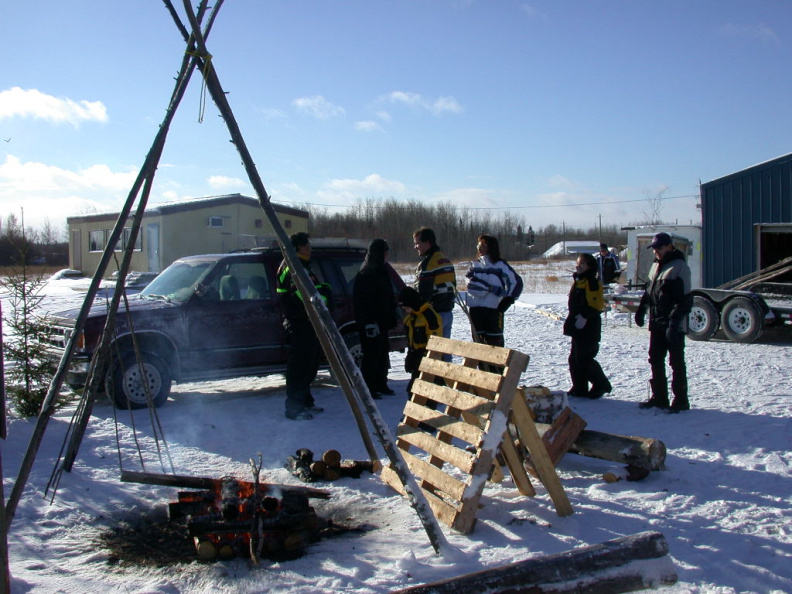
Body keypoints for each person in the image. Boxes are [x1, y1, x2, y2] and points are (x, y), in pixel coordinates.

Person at [276, 232, 332, 421]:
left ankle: (306, 401)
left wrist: (324, 290)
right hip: (298, 323)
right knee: (298, 367)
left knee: (310, 364)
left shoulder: (304, 266)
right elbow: (303, 295)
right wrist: (323, 300)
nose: (310, 248)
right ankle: (294, 408)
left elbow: (315, 287)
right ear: (298, 247)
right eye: (307, 245)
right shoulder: (292, 267)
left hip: (309, 323)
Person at [634, 232, 693, 413]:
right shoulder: (656, 266)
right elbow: (649, 292)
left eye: (659, 248)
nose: (656, 252)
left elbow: (684, 300)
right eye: (654, 249)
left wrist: (674, 324)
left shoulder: (679, 267)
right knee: (655, 359)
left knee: (676, 362)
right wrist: (641, 309)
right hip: (657, 322)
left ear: (669, 247)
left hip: (673, 324)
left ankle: (681, 401)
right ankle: (659, 397)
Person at [563, 252, 612, 399]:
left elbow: (597, 304)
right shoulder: (580, 280)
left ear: (589, 266)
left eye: (582, 264)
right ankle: (579, 387)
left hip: (588, 326)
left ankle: (601, 384)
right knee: (574, 358)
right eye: (577, 263)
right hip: (577, 324)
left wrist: (585, 316)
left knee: (584, 358)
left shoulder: (591, 281)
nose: (578, 266)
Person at [353, 239, 398, 398]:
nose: (387, 255)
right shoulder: (366, 273)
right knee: (371, 355)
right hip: (371, 323)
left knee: (382, 353)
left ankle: (381, 383)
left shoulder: (381, 270)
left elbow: (386, 296)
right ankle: (369, 388)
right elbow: (362, 302)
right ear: (378, 253)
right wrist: (369, 323)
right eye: (385, 252)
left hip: (382, 320)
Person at [464, 234, 523, 347]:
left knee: (495, 345)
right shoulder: (474, 265)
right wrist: (490, 289)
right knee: (478, 345)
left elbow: (516, 282)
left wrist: (508, 299)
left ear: (491, 247)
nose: (480, 248)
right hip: (476, 310)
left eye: (483, 246)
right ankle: (482, 365)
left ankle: (496, 366)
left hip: (494, 310)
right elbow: (471, 284)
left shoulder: (500, 265)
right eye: (478, 246)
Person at [413, 227, 456, 345]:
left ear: (427, 243)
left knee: (433, 353)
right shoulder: (446, 260)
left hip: (434, 315)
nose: (415, 247)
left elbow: (423, 293)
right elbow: (453, 287)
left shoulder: (427, 263)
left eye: (417, 243)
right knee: (445, 351)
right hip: (448, 312)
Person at [398, 287, 443, 393]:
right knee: (413, 391)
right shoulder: (410, 318)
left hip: (430, 358)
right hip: (417, 356)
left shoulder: (429, 316)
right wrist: (411, 356)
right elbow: (411, 341)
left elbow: (436, 342)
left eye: (406, 308)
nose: (405, 311)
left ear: (412, 304)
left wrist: (425, 358)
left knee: (419, 391)